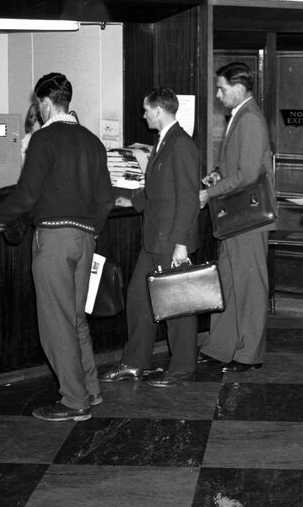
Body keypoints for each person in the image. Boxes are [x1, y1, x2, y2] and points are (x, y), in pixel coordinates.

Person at [0, 72, 115, 421]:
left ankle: (74, 401)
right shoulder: (92, 142)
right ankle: (91, 390)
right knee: (75, 319)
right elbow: (106, 199)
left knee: (56, 323)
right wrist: (90, 230)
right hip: (85, 238)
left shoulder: (43, 139)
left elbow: (26, 194)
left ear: (44, 103)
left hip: (54, 238)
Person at [102, 87, 202, 387]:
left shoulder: (181, 144)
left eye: (146, 110)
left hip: (171, 240)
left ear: (159, 110)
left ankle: (183, 367)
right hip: (156, 238)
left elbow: (187, 198)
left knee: (177, 307)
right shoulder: (164, 141)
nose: (144, 115)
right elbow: (157, 190)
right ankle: (135, 363)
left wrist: (181, 244)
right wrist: (131, 202)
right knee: (138, 299)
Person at [197, 61, 274, 372]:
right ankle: (221, 346)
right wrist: (217, 176)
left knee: (250, 285)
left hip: (249, 219)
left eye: (222, 89)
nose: (218, 94)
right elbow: (237, 168)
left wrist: (210, 193)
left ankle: (248, 353)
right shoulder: (241, 116)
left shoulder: (250, 119)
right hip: (238, 217)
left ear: (239, 89)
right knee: (229, 281)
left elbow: (247, 173)